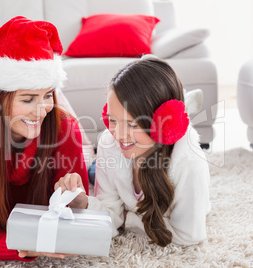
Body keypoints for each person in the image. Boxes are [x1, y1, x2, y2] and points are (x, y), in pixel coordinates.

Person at [0, 16, 89, 262]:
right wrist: (24, 246)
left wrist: (79, 200)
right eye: (28, 99)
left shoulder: (65, 128)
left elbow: (76, 215)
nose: (41, 109)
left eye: (48, 95)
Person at [59, 55, 211, 247]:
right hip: (127, 154)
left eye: (132, 124)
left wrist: (127, 219)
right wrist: (84, 204)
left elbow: (189, 236)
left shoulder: (190, 162)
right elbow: (111, 214)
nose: (119, 134)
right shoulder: (109, 141)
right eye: (112, 120)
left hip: (159, 154)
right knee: (93, 169)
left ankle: (184, 105)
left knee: (94, 169)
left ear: (165, 123)